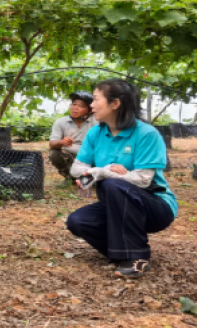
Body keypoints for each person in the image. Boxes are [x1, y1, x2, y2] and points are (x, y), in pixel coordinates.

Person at [66, 79, 177, 279]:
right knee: (78, 221)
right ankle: (120, 251)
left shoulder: (146, 134)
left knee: (114, 183)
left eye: (96, 99)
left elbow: (143, 180)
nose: (91, 105)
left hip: (155, 205)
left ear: (115, 104)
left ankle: (137, 256)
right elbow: (77, 168)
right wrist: (104, 169)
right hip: (116, 207)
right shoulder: (96, 133)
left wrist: (103, 173)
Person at [49, 91, 98, 185]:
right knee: (54, 153)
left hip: (92, 156)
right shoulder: (61, 122)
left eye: (81, 106)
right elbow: (52, 144)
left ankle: (93, 177)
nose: (75, 108)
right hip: (73, 156)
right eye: (74, 104)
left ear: (90, 110)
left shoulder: (97, 121)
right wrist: (61, 142)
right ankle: (71, 177)